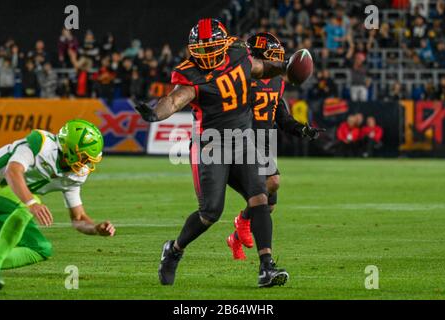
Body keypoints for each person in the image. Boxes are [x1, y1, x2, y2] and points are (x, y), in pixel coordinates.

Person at [135, 18, 314, 288]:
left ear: (224, 44)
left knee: (260, 198)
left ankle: (266, 267)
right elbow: (175, 99)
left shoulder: (238, 54)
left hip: (242, 140)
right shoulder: (190, 73)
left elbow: (260, 67)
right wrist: (156, 113)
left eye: (212, 47)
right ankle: (173, 250)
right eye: (202, 49)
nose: (207, 54)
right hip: (211, 145)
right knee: (210, 213)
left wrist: (285, 67)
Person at [226, 32, 324, 260]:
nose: (277, 61)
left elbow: (281, 116)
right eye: (272, 55)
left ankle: (236, 237)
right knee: (272, 182)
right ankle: (243, 224)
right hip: (244, 140)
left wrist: (302, 129)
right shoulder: (243, 78)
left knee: (268, 206)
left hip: (265, 143)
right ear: (258, 55)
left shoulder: (278, 81)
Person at [0, 120, 116, 290]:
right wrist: (31, 203)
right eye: (83, 157)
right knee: (32, 202)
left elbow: (78, 218)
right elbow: (12, 171)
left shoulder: (75, 175)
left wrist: (96, 228)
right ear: (68, 149)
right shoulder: (41, 145)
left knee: (41, 249)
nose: (85, 164)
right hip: (4, 189)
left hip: (9, 201)